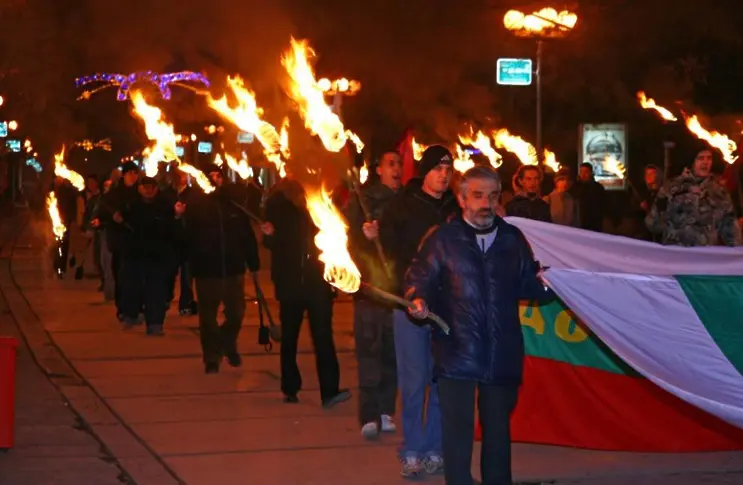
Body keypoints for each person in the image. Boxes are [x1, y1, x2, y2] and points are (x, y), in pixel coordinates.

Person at [406, 165, 552, 485]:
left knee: (498, 432)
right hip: (456, 349)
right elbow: (419, 277)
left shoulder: (512, 239)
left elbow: (529, 284)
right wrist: (417, 298)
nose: (486, 203)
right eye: (478, 195)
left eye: (493, 195)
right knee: (457, 432)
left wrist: (553, 283)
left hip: (501, 351)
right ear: (461, 198)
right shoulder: (443, 239)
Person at [379, 145, 459, 477]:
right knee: (413, 382)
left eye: (448, 169)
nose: (443, 174)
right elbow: (390, 257)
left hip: (448, 310)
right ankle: (411, 447)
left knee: (441, 381)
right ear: (425, 171)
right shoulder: (401, 207)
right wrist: (407, 293)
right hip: (411, 307)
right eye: (437, 168)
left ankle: (434, 448)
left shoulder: (459, 208)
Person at [261, 174, 350, 408]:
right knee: (290, 338)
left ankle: (329, 391)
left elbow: (335, 234)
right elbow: (270, 241)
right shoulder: (277, 202)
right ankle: (290, 387)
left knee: (323, 337)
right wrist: (269, 234)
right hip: (289, 282)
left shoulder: (321, 199)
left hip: (317, 282)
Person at [177, 164, 260, 373]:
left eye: (217, 176)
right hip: (207, 270)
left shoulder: (233, 204)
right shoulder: (195, 204)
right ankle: (212, 357)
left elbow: (246, 235)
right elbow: (184, 238)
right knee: (208, 317)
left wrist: (253, 262)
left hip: (233, 269)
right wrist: (179, 219)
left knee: (237, 313)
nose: (214, 180)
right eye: (210, 176)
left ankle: (225, 343)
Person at [345, 150, 402, 439]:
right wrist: (362, 237)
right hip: (369, 289)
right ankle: (368, 414)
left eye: (399, 164)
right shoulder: (362, 200)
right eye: (390, 164)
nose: (396, 169)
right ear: (378, 169)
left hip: (396, 292)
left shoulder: (405, 202)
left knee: (393, 354)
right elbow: (346, 240)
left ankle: (385, 410)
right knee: (369, 352)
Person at [117, 176, 178, 335]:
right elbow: (121, 229)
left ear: (156, 188)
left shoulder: (164, 206)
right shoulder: (131, 206)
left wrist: (177, 217)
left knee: (156, 291)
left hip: (157, 256)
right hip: (135, 255)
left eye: (151, 187)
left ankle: (155, 323)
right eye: (145, 187)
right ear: (139, 189)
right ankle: (130, 315)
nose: (148, 190)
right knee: (132, 287)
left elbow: (172, 230)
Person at [646, 148, 742, 246]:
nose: (706, 162)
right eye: (701, 158)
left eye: (709, 158)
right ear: (692, 162)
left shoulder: (719, 190)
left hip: (705, 256)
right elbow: (653, 225)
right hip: (677, 255)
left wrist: (737, 254)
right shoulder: (672, 187)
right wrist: (661, 206)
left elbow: (730, 227)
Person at [570, 162, 606, 232]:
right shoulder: (574, 187)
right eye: (581, 172)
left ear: (591, 173)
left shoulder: (598, 187)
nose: (583, 174)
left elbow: (603, 204)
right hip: (579, 223)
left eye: (586, 172)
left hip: (595, 223)